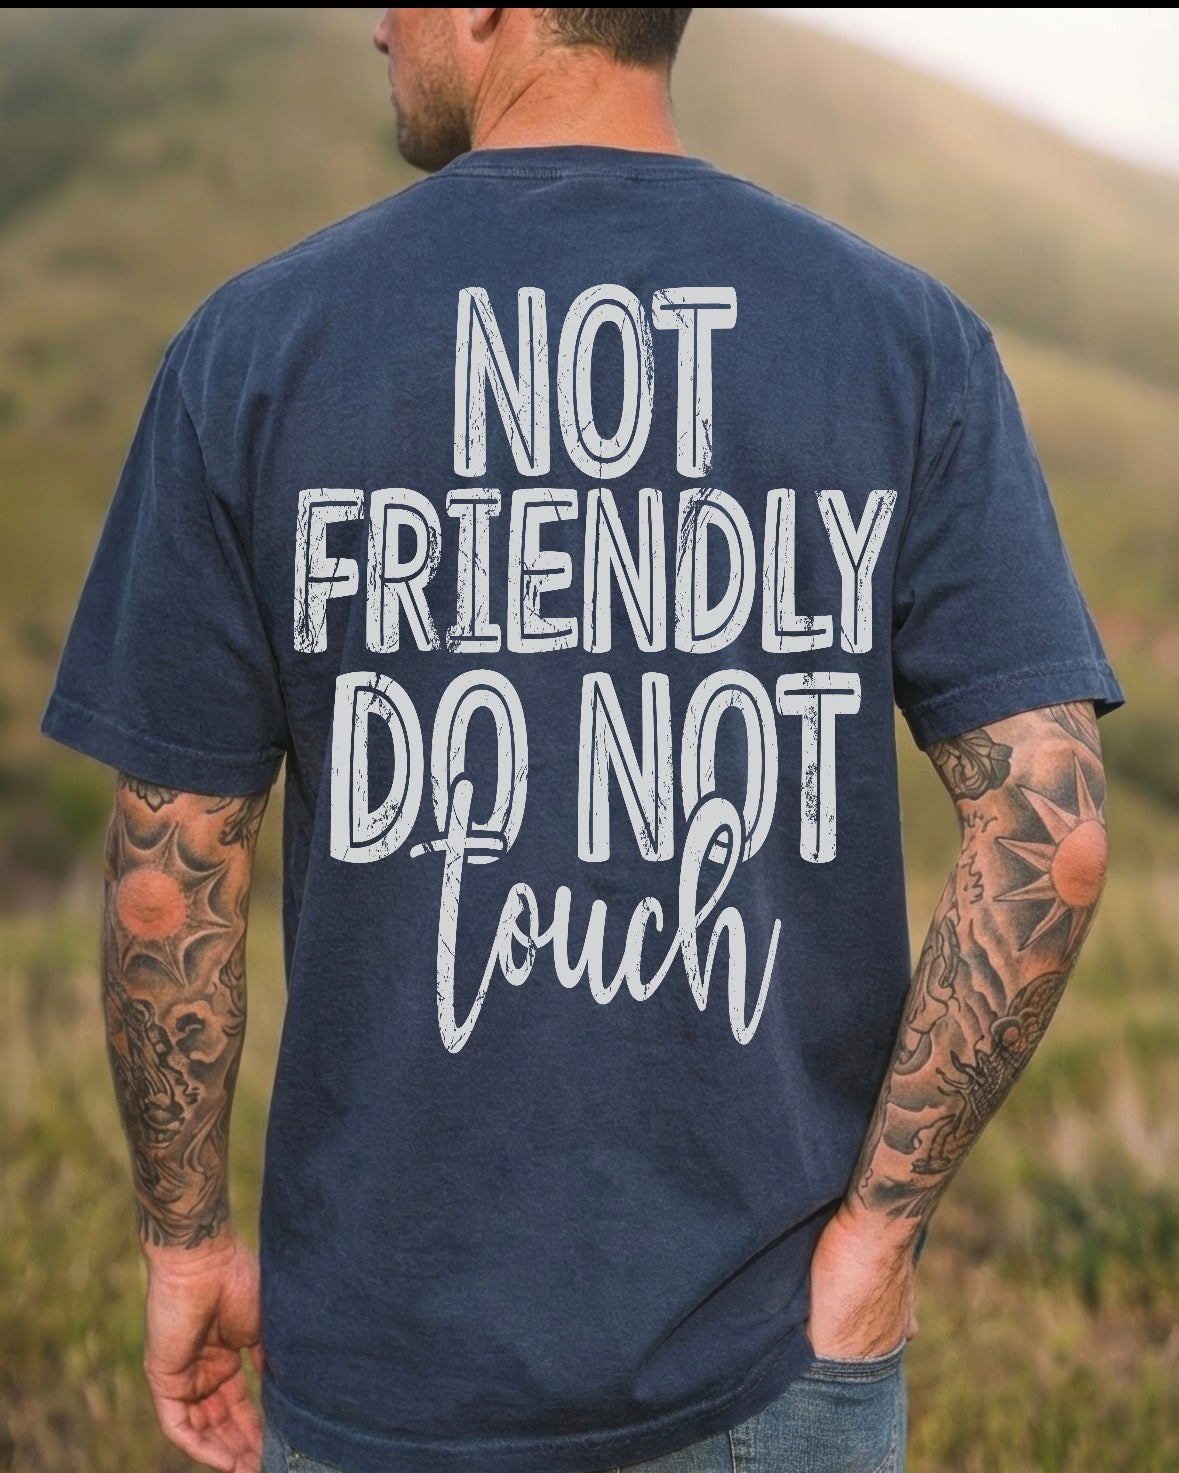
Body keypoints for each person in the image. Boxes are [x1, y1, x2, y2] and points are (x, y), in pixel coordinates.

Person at [42, 8, 1124, 1473]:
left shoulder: (255, 348)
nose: (375, 26)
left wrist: (183, 1243)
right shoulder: (906, 340)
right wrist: (881, 1234)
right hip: (773, 1367)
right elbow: (1052, 834)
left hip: (379, 1368)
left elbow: (167, 887)